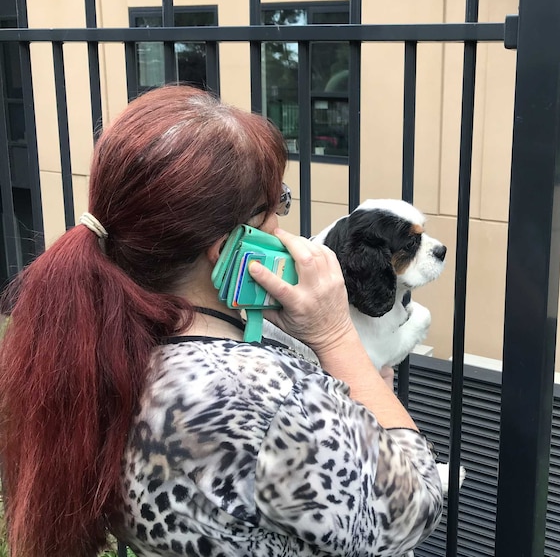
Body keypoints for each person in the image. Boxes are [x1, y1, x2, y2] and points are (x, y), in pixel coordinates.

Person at [0, 85, 444, 557]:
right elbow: (414, 505)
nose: (283, 225)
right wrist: (336, 337)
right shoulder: (267, 399)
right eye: (278, 204)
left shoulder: (98, 344)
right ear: (228, 248)